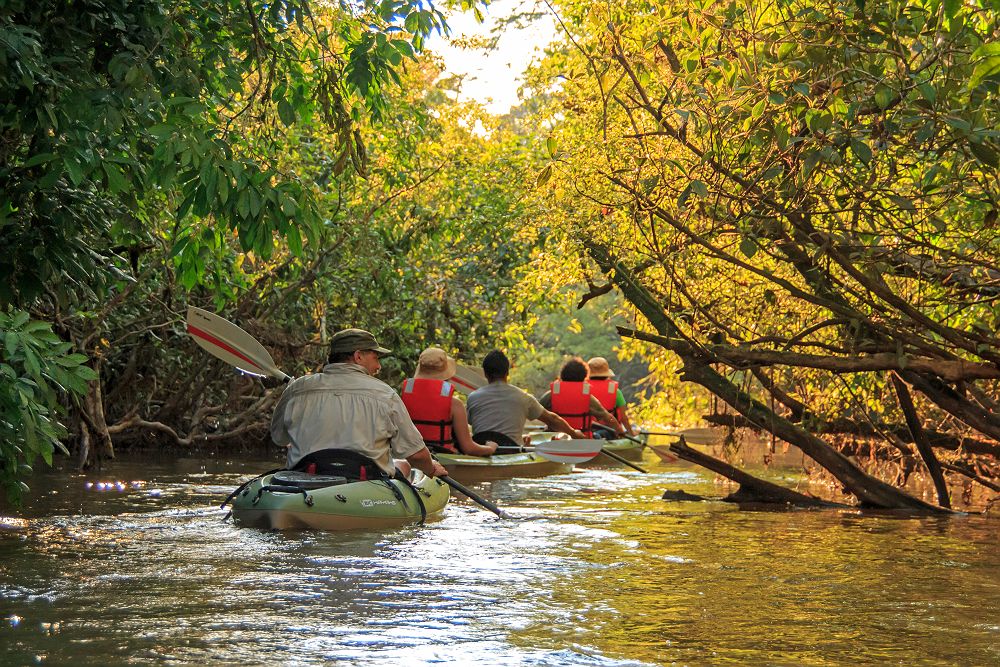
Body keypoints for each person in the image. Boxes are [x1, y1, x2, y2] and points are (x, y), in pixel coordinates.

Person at [270, 328, 447, 480]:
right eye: (376, 358)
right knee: (403, 464)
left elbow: (279, 438)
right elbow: (416, 455)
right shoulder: (385, 394)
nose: (378, 366)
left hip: (304, 478)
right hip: (364, 482)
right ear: (358, 356)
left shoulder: (297, 388)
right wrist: (431, 469)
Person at [466, 349, 585, 451]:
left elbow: (475, 424)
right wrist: (574, 433)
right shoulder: (523, 397)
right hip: (511, 452)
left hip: (481, 451)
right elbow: (552, 420)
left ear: (485, 373)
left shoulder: (473, 397)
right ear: (507, 372)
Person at [400, 347, 498, 457]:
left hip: (411, 456)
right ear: (446, 374)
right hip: (443, 458)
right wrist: (490, 448)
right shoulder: (455, 405)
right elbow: (469, 448)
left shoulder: (402, 398)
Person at [538, 357, 623, 437]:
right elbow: (608, 418)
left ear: (562, 375)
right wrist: (619, 430)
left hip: (556, 438)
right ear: (584, 376)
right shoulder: (588, 398)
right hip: (581, 438)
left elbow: (536, 410)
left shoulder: (551, 395)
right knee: (598, 435)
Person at [587, 356, 634, 438]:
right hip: (609, 431)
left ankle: (595, 436)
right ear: (607, 374)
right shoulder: (616, 391)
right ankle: (597, 436)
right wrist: (631, 435)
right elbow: (623, 418)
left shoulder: (583, 390)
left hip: (587, 430)